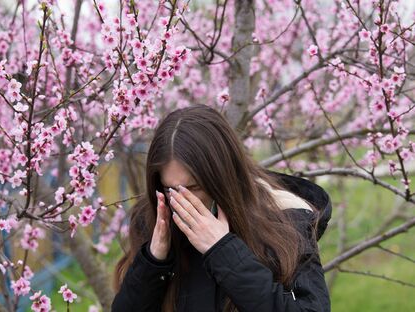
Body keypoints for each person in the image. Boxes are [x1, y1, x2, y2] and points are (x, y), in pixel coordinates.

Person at [111, 104, 332, 312]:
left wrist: (223, 251)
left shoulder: (284, 217)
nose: (182, 201)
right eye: (170, 189)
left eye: (193, 187)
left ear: (221, 178)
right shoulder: (156, 217)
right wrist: (153, 260)